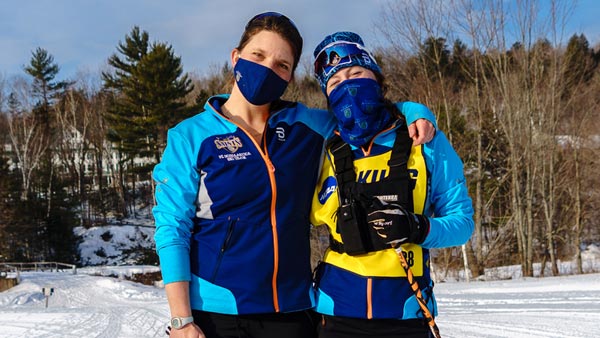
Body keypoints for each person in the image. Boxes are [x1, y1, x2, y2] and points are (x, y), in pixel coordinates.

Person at [153, 13, 436, 338]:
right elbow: (172, 228)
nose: (266, 69)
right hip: (216, 311)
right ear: (235, 57)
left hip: (291, 310)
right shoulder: (190, 136)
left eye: (281, 65)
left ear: (289, 77)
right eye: (257, 56)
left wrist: (417, 111)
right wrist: (181, 319)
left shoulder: (307, 127)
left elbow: (368, 111)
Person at [310, 31, 475, 338]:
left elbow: (463, 223)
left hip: (406, 310)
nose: (348, 85)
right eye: (335, 83)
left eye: (356, 73)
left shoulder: (425, 142)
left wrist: (417, 228)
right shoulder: (322, 148)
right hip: (336, 312)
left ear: (377, 78)